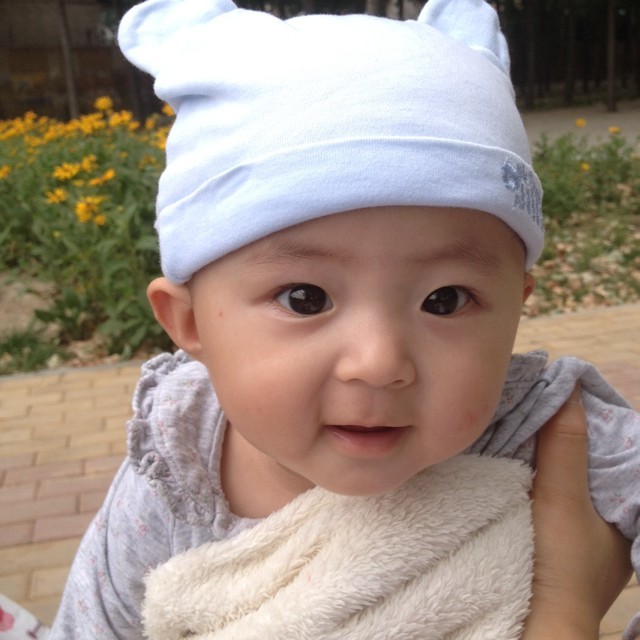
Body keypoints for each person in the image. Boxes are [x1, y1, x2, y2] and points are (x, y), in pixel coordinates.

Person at [49, 0, 640, 637]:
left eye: (445, 300)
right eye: (305, 298)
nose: (379, 362)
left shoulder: (541, 430)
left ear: (516, 308)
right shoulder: (174, 468)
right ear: (189, 322)